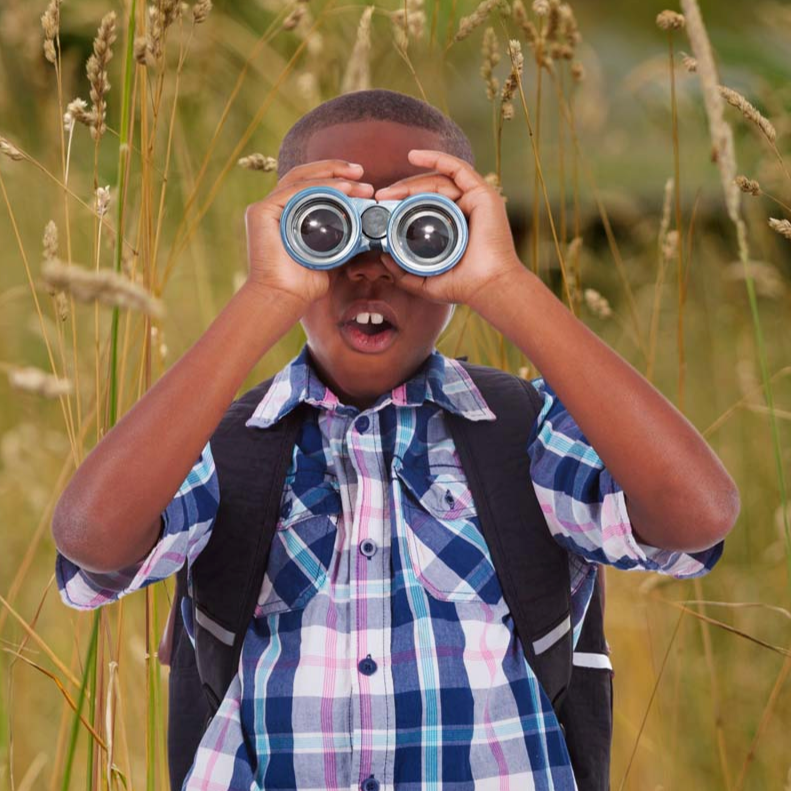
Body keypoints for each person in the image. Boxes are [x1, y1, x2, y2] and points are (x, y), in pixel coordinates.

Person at [52, 88, 739, 790]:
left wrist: (504, 284)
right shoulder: (225, 447)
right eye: (326, 229)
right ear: (279, 233)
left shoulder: (522, 435)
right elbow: (93, 536)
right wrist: (266, 295)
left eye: (420, 231)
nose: (370, 265)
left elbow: (694, 514)